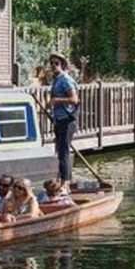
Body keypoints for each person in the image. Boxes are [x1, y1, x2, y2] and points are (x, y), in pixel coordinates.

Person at [48, 53, 79, 193]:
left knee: (64, 152)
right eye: (52, 63)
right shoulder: (56, 80)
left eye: (56, 63)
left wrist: (57, 101)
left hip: (67, 120)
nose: (53, 66)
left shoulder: (65, 80)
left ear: (62, 65)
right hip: (59, 120)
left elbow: (74, 99)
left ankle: (65, 183)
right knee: (61, 152)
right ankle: (65, 181)